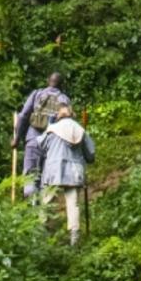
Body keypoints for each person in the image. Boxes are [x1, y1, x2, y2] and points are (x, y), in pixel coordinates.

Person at [38, 103, 95, 246]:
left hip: (53, 171)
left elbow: (41, 146)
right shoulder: (80, 130)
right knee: (73, 204)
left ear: (58, 115)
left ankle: (44, 236)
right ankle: (74, 240)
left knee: (47, 203)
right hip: (74, 172)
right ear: (71, 114)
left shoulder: (51, 130)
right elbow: (91, 155)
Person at [12, 72, 66, 199]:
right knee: (47, 178)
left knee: (31, 175)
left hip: (33, 139)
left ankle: (32, 210)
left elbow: (23, 116)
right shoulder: (64, 99)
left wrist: (17, 138)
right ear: (62, 84)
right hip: (52, 144)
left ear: (48, 80)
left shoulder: (37, 94)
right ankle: (44, 213)